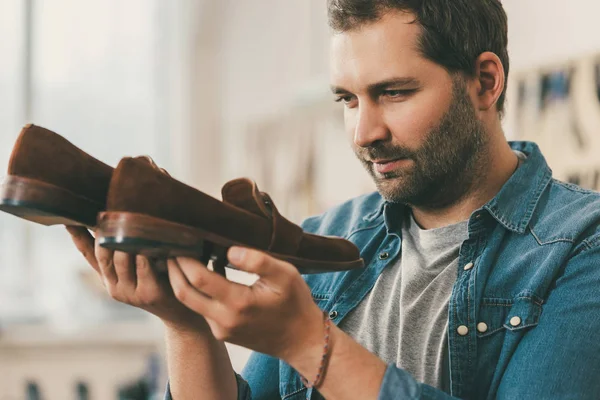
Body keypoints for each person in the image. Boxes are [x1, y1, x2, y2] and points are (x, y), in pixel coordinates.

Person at [68, 0, 600, 399]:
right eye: (347, 99)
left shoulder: (581, 245)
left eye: (394, 93)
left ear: (485, 82)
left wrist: (306, 342)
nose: (364, 131)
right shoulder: (333, 237)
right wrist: (183, 323)